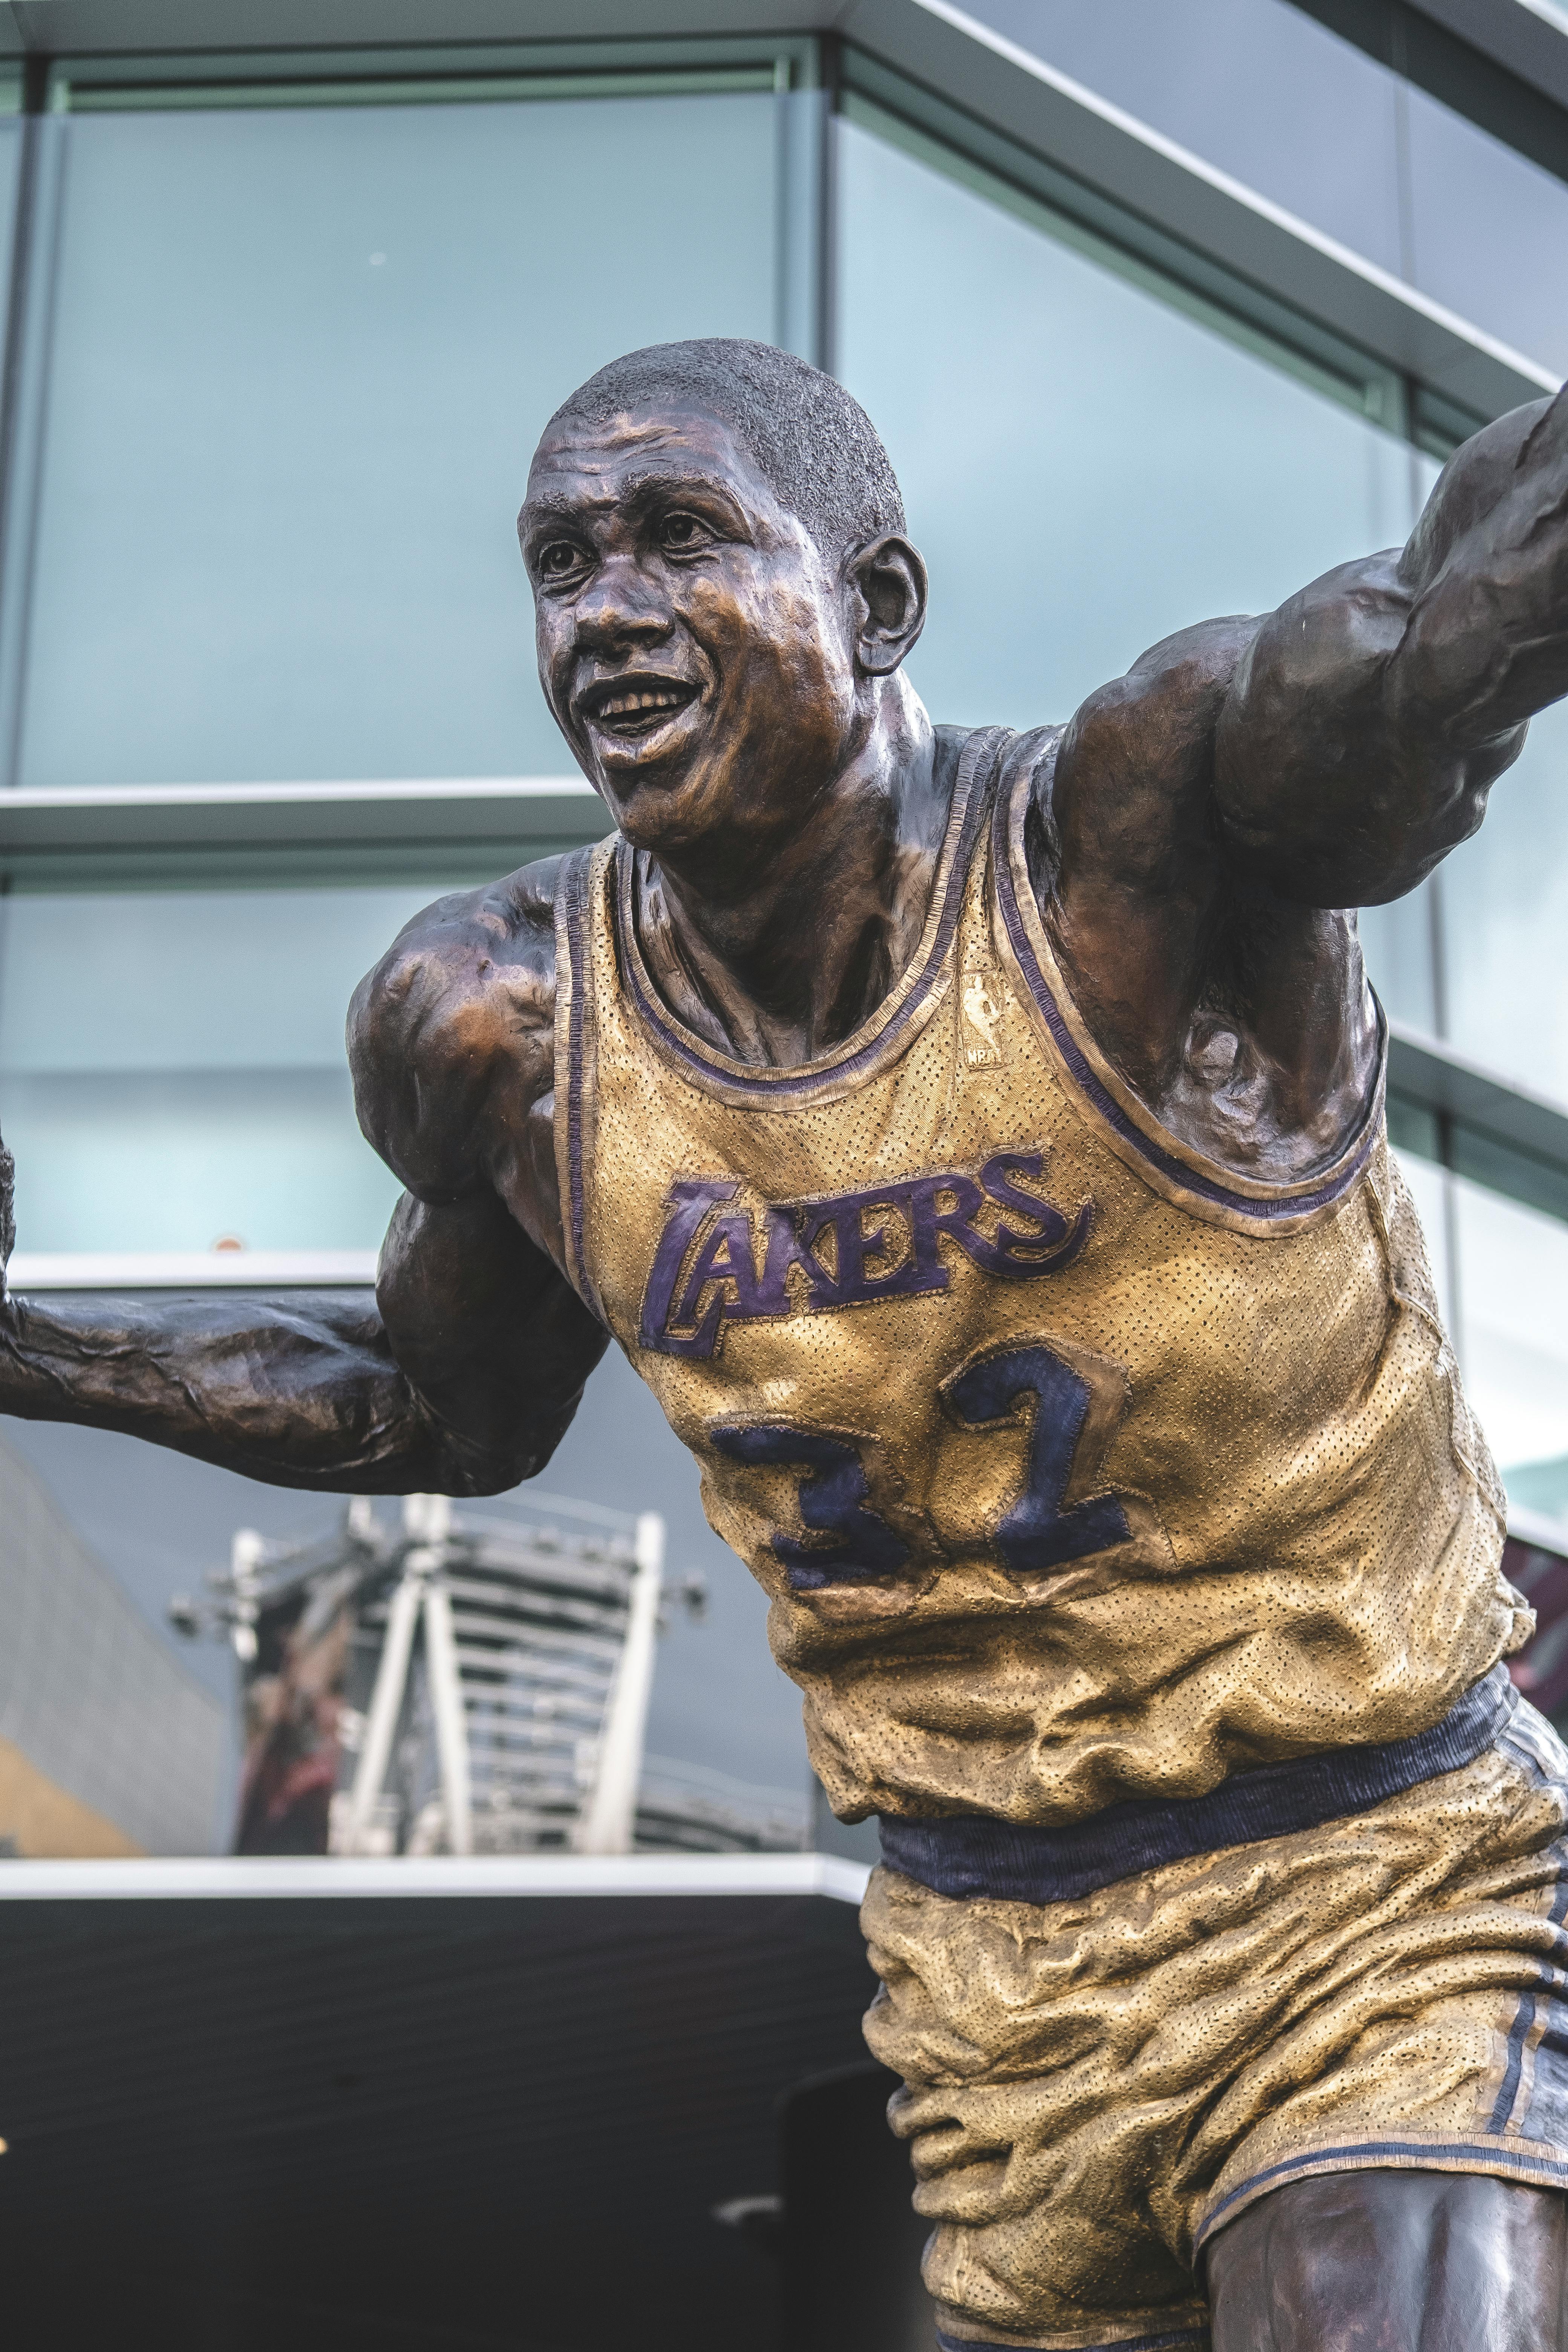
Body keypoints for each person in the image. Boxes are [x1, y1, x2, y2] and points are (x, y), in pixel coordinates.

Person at [3, 335, 1568, 2348]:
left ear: (878, 603)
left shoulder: (1128, 853)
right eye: (562, 563)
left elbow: (1447, 622)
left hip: (1374, 1882)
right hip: (995, 1985)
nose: (609, 611)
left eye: (682, 538)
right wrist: (30, 1351)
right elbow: (429, 1406)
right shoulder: (501, 1025)